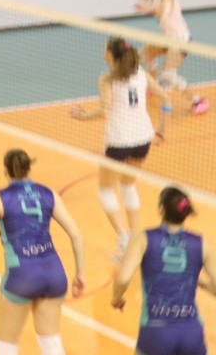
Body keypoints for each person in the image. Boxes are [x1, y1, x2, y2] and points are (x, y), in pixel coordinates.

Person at [0, 149, 87, 355]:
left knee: (6, 347)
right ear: (29, 169)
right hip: (54, 274)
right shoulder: (49, 194)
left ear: (5, 170)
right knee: (51, 343)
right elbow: (76, 235)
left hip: (22, 276)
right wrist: (80, 274)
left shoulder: (0, 198)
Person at [71, 36, 171, 262]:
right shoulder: (142, 74)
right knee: (128, 184)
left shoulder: (107, 79)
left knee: (106, 190)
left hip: (119, 141)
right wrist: (162, 129)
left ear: (110, 55)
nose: (103, 52)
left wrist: (83, 115)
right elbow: (165, 97)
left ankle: (124, 239)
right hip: (143, 138)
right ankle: (135, 237)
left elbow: (104, 109)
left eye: (105, 49)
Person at [112, 186, 216, 355]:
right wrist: (202, 283)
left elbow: (123, 279)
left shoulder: (143, 238)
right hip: (191, 331)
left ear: (161, 209)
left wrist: (116, 298)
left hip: (156, 331)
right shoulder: (201, 243)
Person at [128, 0, 209, 114]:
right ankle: (155, 85)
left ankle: (197, 100)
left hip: (180, 40)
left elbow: (161, 10)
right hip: (167, 38)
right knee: (144, 54)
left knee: (168, 75)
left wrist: (146, 9)